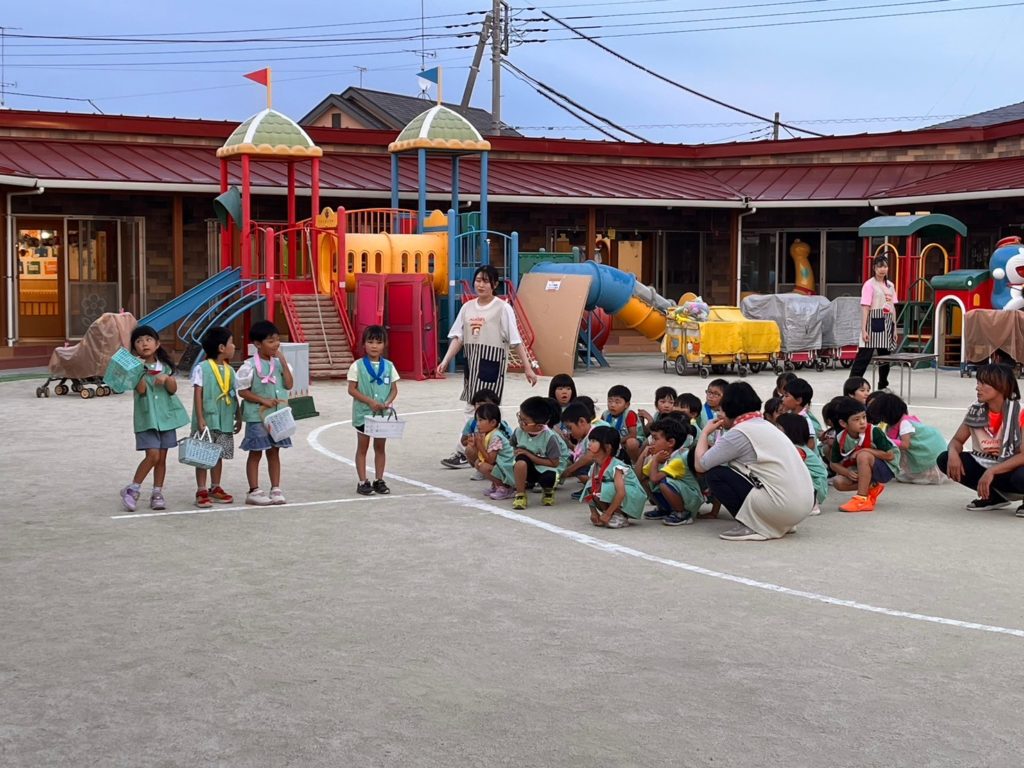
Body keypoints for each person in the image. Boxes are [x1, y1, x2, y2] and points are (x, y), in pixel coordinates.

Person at [436, 265, 538, 471]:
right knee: (472, 408)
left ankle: (468, 451)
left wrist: (528, 368)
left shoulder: (503, 308)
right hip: (472, 365)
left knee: (484, 411)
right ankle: (480, 450)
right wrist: (445, 360)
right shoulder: (467, 307)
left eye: (485, 281)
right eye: (478, 280)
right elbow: (459, 337)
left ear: (494, 284)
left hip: (491, 365)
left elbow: (515, 340)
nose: (480, 285)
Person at [694, 381, 813, 541]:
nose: (719, 415)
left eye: (721, 410)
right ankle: (777, 522)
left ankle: (752, 524)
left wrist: (705, 432)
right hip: (802, 506)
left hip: (782, 507)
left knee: (715, 474)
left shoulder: (740, 432)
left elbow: (701, 465)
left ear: (729, 410)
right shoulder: (766, 425)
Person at [937, 364, 1024, 514]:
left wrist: (992, 471)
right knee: (944, 459)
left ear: (1001, 386)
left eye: (983, 383)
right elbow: (957, 440)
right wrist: (952, 453)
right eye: (978, 383)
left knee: (1021, 476)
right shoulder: (975, 410)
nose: (977, 388)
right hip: (990, 463)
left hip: (1013, 466)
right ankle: (993, 497)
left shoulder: (1019, 412)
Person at [120, 325, 189, 512]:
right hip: (147, 419)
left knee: (162, 458)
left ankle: (157, 492)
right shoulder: (135, 367)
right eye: (139, 341)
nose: (144, 343)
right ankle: (133, 489)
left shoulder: (164, 366)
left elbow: (173, 390)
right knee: (153, 455)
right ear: (134, 348)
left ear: (157, 344)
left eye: (148, 339)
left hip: (166, 418)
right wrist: (138, 372)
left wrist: (167, 379)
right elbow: (141, 390)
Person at [237, 320, 294, 506]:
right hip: (257, 416)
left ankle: (275, 487)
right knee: (255, 452)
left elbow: (289, 384)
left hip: (278, 416)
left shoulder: (279, 364)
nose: (276, 344)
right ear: (257, 344)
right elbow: (242, 391)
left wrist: (283, 361)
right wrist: (263, 400)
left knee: (274, 451)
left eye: (277, 340)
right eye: (270, 341)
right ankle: (254, 490)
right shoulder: (249, 366)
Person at [190, 326, 241, 509]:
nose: (234, 346)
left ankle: (215, 486)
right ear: (221, 348)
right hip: (208, 418)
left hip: (225, 417)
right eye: (231, 343)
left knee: (218, 453)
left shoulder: (230, 370)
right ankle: (201, 489)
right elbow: (198, 393)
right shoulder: (202, 368)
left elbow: (234, 394)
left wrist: (238, 415)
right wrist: (200, 418)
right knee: (203, 452)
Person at [347, 324, 399, 496]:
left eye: (378, 342)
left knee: (380, 447)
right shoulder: (357, 366)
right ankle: (363, 481)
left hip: (381, 415)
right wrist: (370, 402)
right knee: (363, 447)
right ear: (364, 344)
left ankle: (379, 479)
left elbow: (394, 389)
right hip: (364, 414)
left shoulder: (389, 366)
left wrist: (387, 402)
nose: (374, 346)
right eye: (370, 342)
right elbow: (352, 389)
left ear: (385, 344)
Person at [829, 397, 899, 513]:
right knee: (838, 482)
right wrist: (847, 472)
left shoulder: (874, 431)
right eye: (856, 419)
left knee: (863, 455)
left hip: (887, 468)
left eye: (864, 417)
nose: (862, 422)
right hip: (863, 469)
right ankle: (872, 486)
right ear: (843, 423)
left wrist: (864, 451)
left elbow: (890, 455)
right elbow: (833, 463)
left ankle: (861, 498)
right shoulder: (840, 437)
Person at [867, 392, 947, 485]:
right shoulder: (896, 424)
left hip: (929, 459)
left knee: (901, 474)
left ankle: (924, 474)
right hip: (927, 454)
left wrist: (884, 440)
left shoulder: (905, 423)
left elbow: (905, 444)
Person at [637, 416, 703, 526]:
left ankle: (682, 513)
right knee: (645, 480)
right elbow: (639, 477)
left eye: (655, 438)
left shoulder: (679, 459)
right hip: (681, 495)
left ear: (670, 442)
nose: (652, 442)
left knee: (664, 483)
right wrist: (643, 455)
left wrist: (655, 461)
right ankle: (665, 509)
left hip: (691, 499)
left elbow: (654, 478)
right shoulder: (662, 456)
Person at [509, 396, 568, 509]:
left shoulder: (550, 438)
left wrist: (529, 455)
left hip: (548, 467)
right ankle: (520, 495)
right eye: (520, 418)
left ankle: (548, 490)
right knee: (520, 461)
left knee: (549, 477)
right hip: (530, 465)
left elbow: (554, 463)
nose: (521, 423)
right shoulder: (519, 432)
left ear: (540, 425)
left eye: (525, 421)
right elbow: (513, 444)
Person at [584, 426, 647, 528]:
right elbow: (590, 490)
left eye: (594, 441)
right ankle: (609, 513)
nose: (589, 444)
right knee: (591, 484)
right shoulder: (594, 466)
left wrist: (607, 514)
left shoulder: (617, 466)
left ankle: (619, 516)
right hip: (619, 497)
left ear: (608, 447)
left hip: (632, 498)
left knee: (606, 487)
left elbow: (621, 492)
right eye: (590, 440)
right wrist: (594, 512)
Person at [850, 255, 898, 390]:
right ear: (874, 268)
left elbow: (893, 307)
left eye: (885, 266)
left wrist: (894, 328)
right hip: (872, 321)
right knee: (863, 357)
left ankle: (883, 385)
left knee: (885, 358)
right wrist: (864, 329)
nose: (883, 269)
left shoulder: (890, 285)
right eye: (880, 266)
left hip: (887, 321)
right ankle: (852, 386)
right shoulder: (869, 285)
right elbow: (865, 307)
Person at [777, 413, 828, 515]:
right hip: (815, 486)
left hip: (815, 488)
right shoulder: (796, 447)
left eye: (779, 428)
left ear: (789, 431)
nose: (775, 431)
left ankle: (812, 504)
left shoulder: (797, 450)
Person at [471, 402, 516, 500]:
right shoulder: (487, 434)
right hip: (501, 466)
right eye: (477, 420)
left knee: (483, 466)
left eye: (481, 420)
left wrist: (479, 445)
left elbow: (490, 460)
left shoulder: (496, 436)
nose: (477, 424)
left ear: (493, 423)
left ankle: (505, 488)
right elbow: (482, 457)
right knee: (478, 463)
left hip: (508, 468)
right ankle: (496, 485)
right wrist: (475, 446)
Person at [602, 384, 643, 462]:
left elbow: (632, 435)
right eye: (610, 401)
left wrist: (617, 442)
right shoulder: (605, 414)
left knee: (631, 442)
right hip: (616, 442)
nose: (612, 405)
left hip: (632, 441)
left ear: (626, 405)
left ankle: (636, 463)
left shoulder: (629, 414)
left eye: (617, 402)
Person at [781, 377, 821, 450]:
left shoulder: (805, 420)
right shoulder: (789, 415)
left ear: (798, 400)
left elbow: (811, 444)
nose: (782, 399)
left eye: (786, 396)